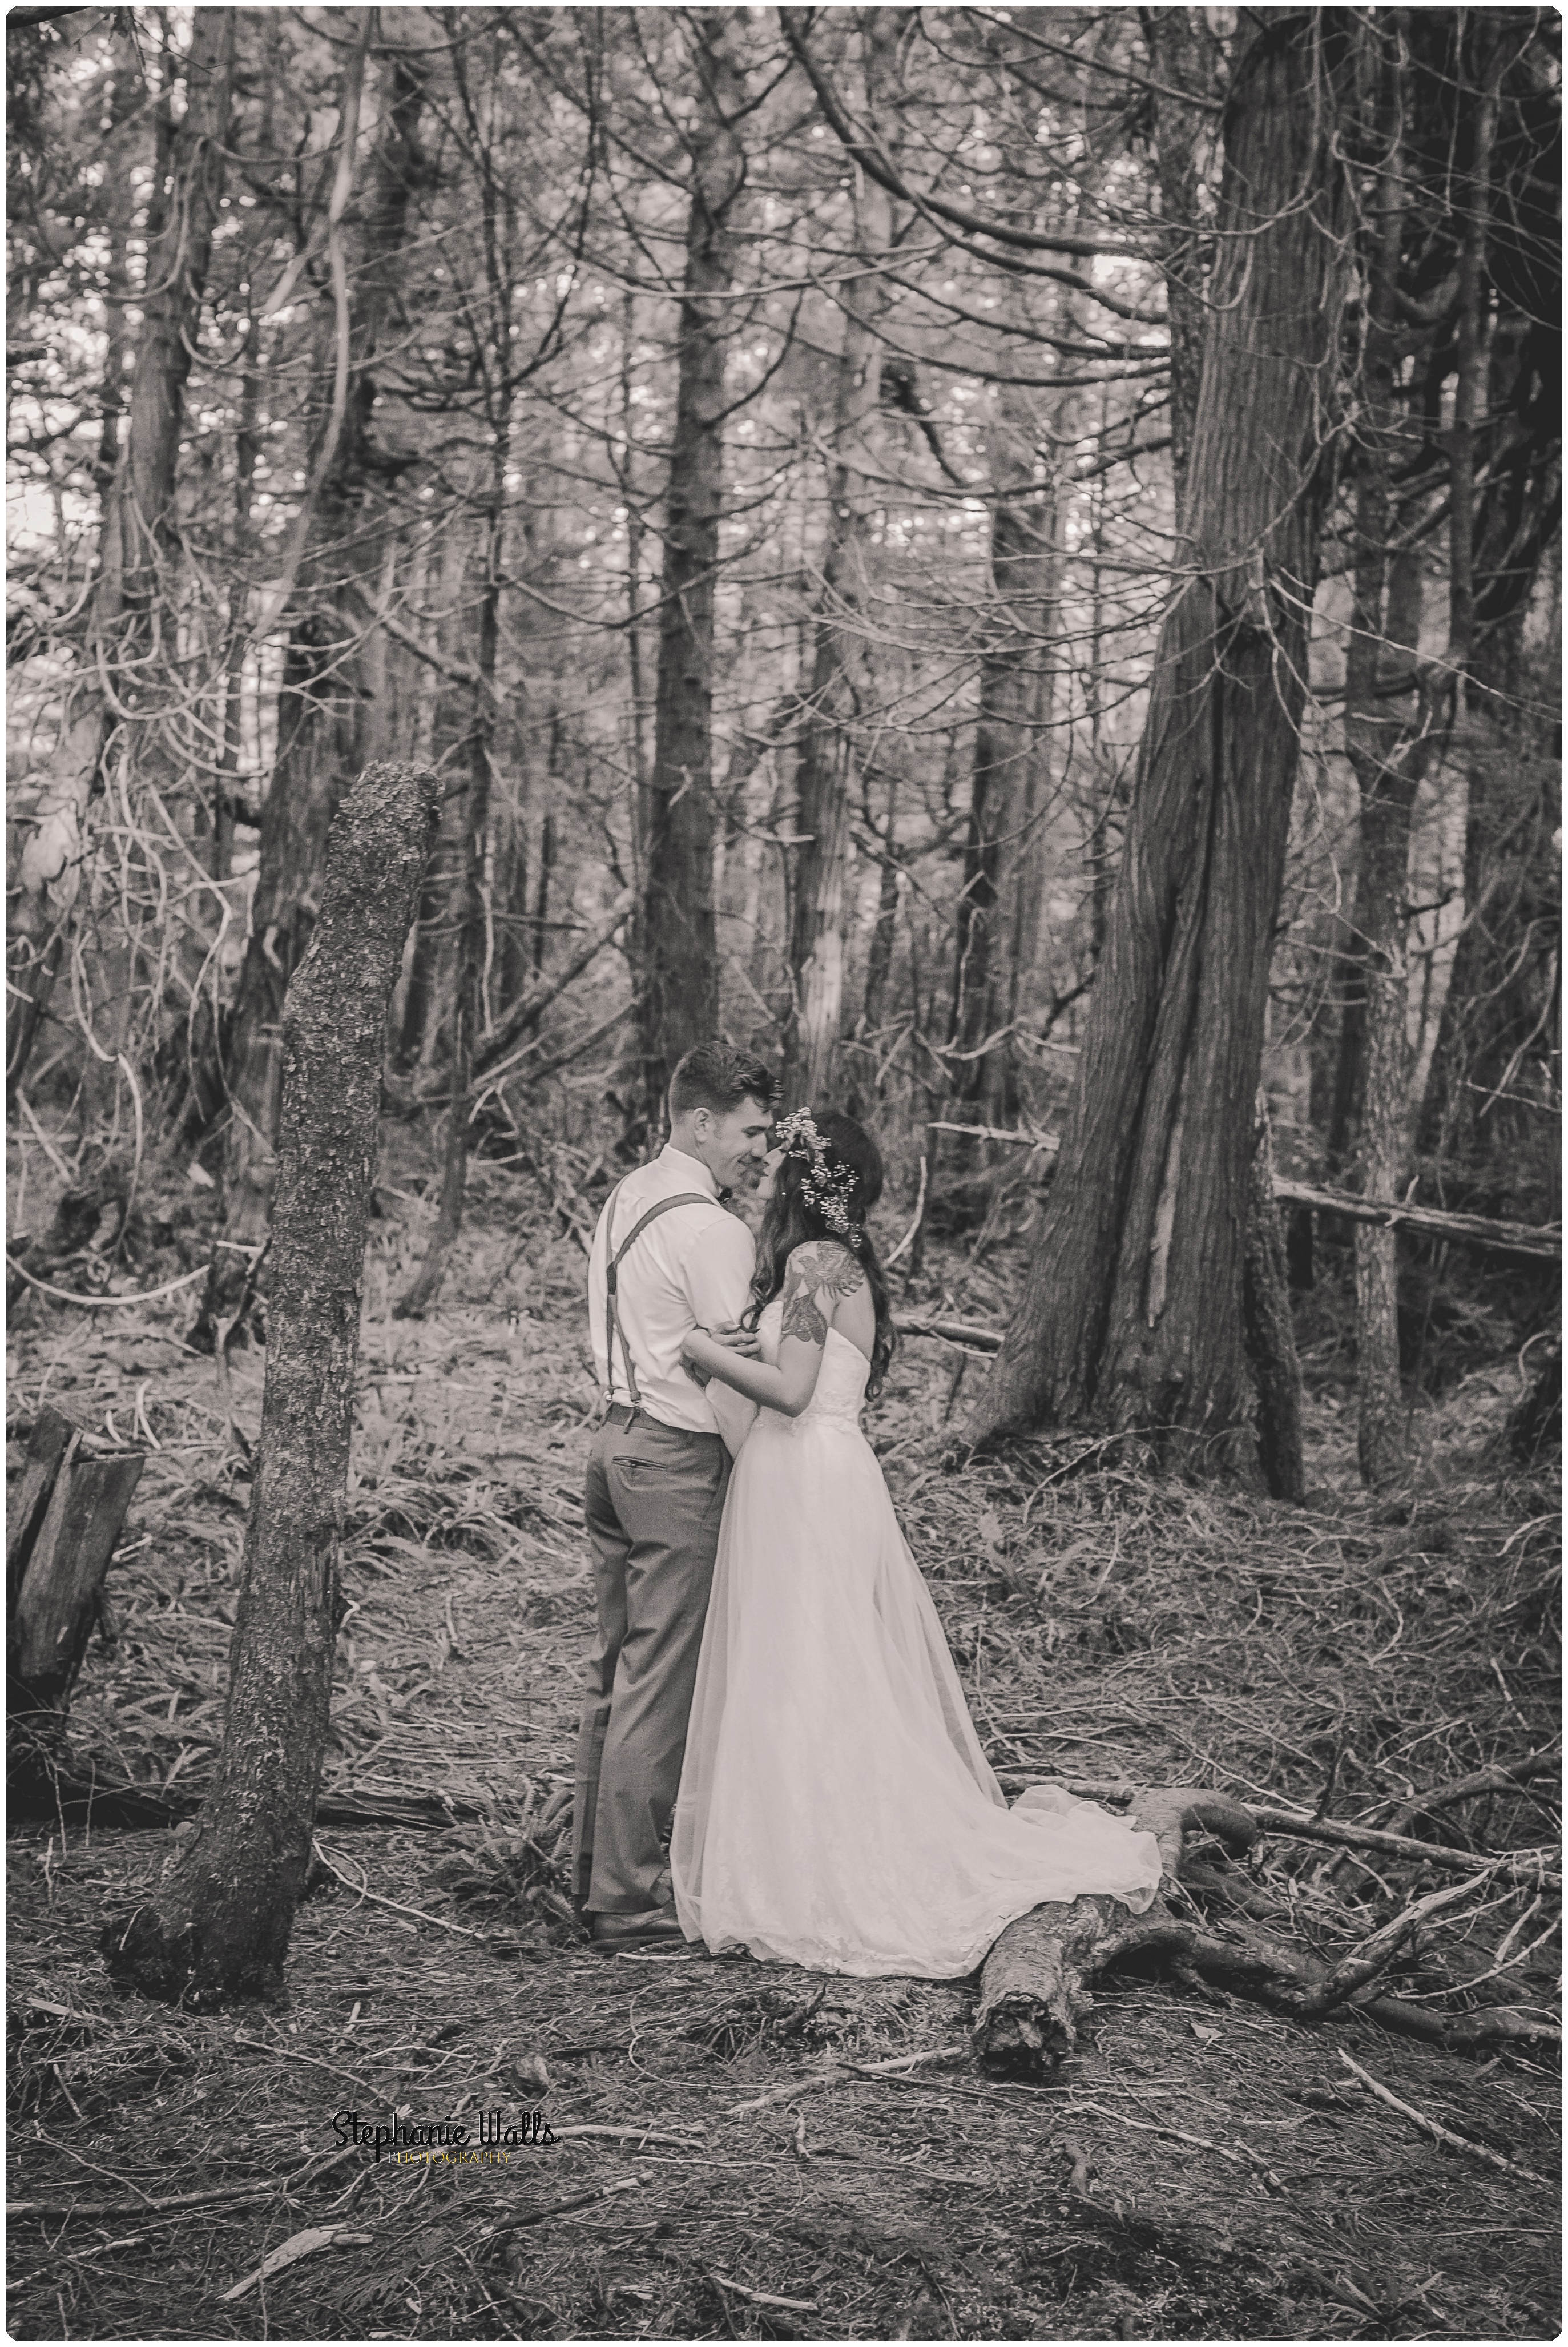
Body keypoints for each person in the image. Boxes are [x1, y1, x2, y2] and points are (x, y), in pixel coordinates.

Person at [670, 1108, 1163, 1976]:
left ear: (803, 1184)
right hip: (809, 1473)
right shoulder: (831, 1266)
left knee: (809, 1665)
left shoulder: (817, 1263)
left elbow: (789, 1392)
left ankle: (821, 1869)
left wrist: (702, 1352)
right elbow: (799, 1380)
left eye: (778, 1165)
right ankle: (799, 1852)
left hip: (810, 1477)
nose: (765, 1178)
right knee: (808, 1663)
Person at [573, 1041, 775, 1953]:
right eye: (750, 1130)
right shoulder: (713, 1229)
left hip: (611, 1443)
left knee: (617, 1671)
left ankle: (591, 1879)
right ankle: (628, 1898)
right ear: (701, 1121)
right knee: (660, 1682)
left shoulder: (625, 1197)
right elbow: (744, 1375)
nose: (759, 1150)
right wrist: (773, 1476)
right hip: (675, 1459)